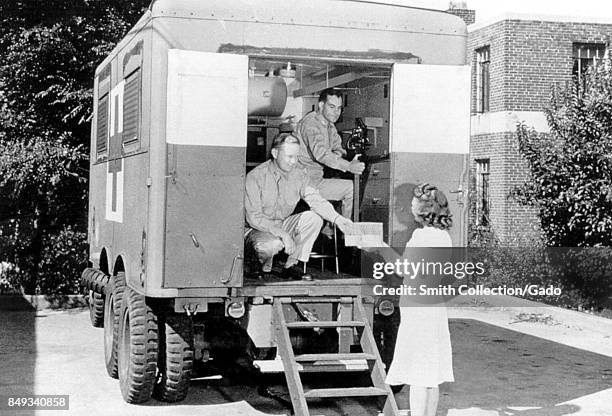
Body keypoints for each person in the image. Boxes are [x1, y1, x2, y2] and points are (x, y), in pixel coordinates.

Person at [363, 183, 454, 416]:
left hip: (418, 311)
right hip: (434, 307)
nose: (410, 206)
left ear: (424, 210)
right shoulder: (443, 236)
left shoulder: (422, 235)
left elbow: (404, 269)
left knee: (417, 371)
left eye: (414, 202)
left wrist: (380, 248)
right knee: (430, 373)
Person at [244, 133, 354, 280]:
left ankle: (290, 266)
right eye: (289, 156)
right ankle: (256, 265)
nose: (293, 161)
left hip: (281, 223)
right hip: (256, 229)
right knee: (271, 245)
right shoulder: (255, 176)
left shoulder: (299, 175)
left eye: (296, 157)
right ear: (275, 153)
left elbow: (316, 199)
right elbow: (253, 218)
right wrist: (283, 234)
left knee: (314, 218)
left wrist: (338, 219)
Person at [294, 88, 365, 220]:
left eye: (339, 108)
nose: (336, 112)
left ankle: (340, 232)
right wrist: (348, 166)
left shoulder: (329, 126)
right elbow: (321, 154)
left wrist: (342, 158)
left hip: (316, 181)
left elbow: (338, 148)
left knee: (351, 189)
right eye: (332, 107)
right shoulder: (311, 123)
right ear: (321, 105)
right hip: (300, 183)